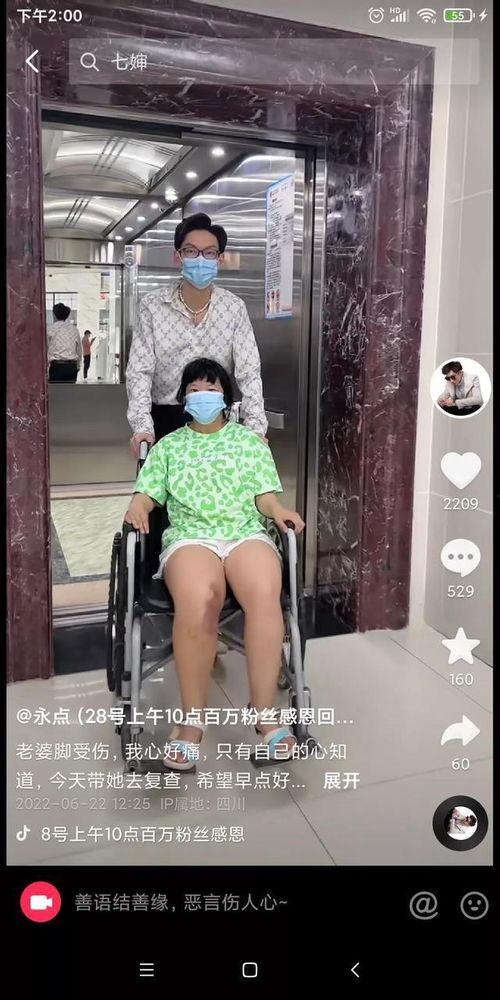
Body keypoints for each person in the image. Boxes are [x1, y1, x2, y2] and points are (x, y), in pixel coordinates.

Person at [124, 357, 305, 769]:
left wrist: (278, 510)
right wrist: (138, 503)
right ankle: (191, 722)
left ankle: (265, 715)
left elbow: (264, 496)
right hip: (191, 537)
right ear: (183, 399)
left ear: (226, 397)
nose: (202, 396)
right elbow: (147, 494)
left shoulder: (249, 443)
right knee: (200, 600)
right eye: (194, 390)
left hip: (245, 532)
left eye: (211, 389)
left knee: (264, 594)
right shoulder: (169, 447)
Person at [126, 212, 268, 456]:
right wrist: (142, 427)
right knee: (161, 480)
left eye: (209, 253)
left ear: (219, 259)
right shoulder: (152, 306)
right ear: (178, 256)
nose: (200, 259)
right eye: (191, 251)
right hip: (165, 419)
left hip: (217, 422)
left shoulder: (234, 308)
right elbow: (139, 371)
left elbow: (250, 371)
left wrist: (255, 429)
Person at [47, 303, 83, 383]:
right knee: (70, 390)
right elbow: (79, 350)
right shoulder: (74, 329)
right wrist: (78, 365)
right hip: (71, 366)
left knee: (56, 390)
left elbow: (46, 349)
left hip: (57, 366)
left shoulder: (50, 329)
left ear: (54, 315)